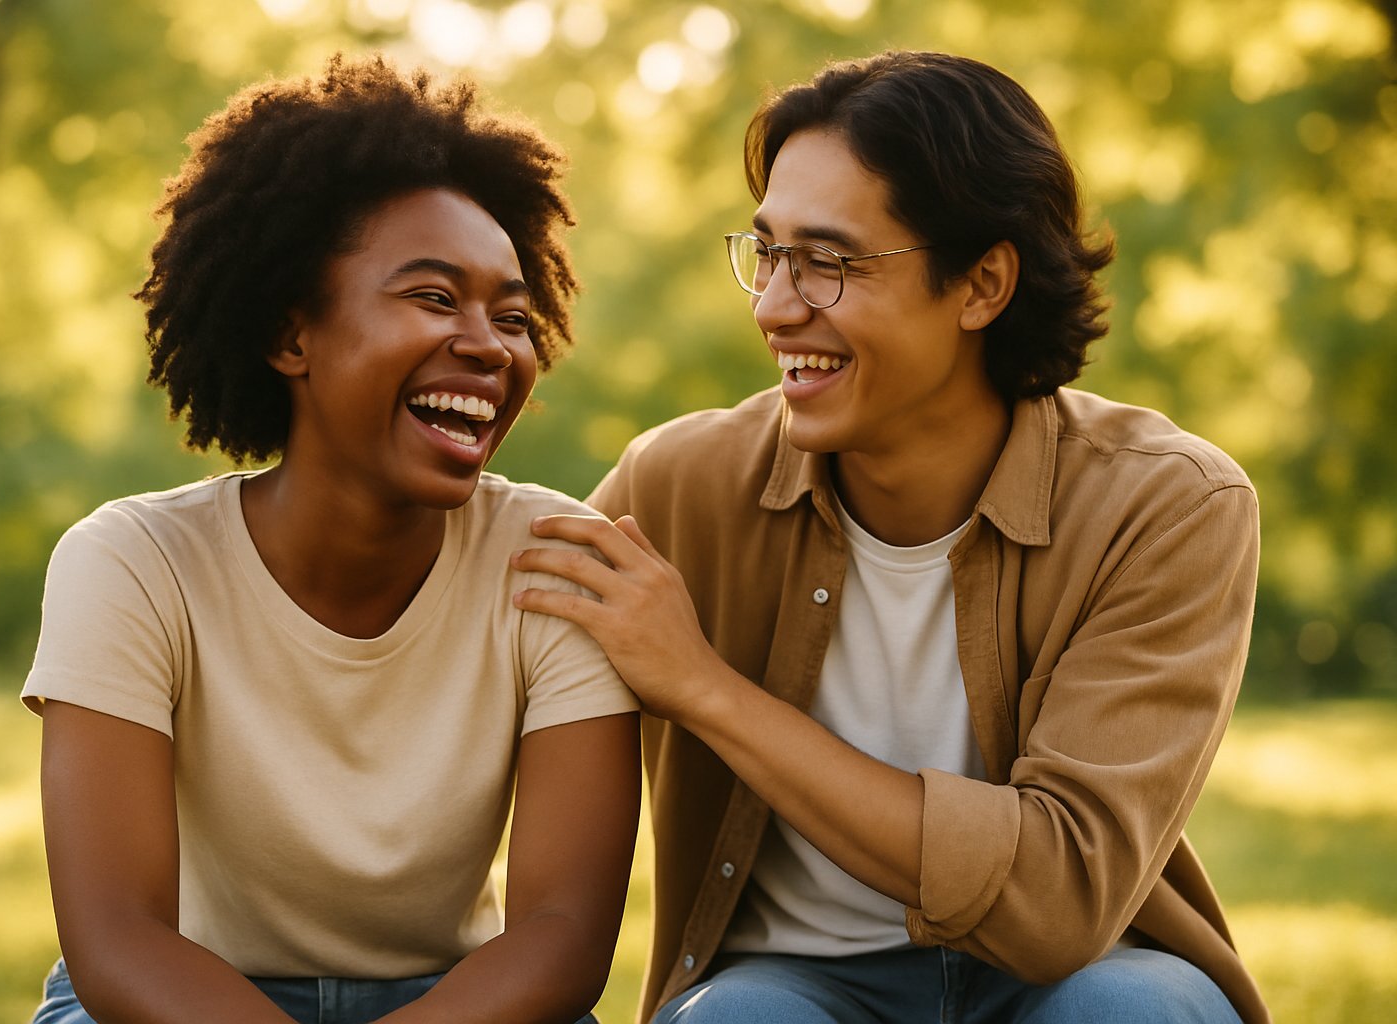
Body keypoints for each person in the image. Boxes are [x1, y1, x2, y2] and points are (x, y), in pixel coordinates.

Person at [512, 50, 1268, 1024]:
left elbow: (1056, 903)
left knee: (1133, 1013)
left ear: (983, 283)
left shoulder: (1167, 505)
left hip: (1074, 978)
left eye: (827, 262)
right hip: (791, 981)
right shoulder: (679, 484)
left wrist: (703, 686)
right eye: (768, 252)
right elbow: (485, 629)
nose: (775, 307)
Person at [21, 55, 640, 1024]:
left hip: (463, 1004)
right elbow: (119, 938)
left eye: (513, 315)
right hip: (180, 997)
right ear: (289, 334)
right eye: (434, 297)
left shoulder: (557, 556)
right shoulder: (132, 565)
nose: (488, 342)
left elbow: (561, 933)